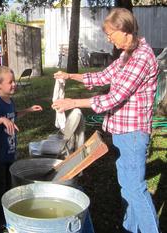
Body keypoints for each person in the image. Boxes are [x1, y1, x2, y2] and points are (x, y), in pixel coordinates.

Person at [52, 8, 160, 233]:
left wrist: (72, 103)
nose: (108, 38)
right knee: (127, 189)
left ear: (125, 31)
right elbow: (103, 76)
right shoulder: (127, 53)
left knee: (136, 190)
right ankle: (130, 229)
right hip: (122, 132)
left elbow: (114, 97)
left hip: (133, 134)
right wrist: (70, 76)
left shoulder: (142, 57)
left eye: (111, 34)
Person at [0, 66, 42, 233]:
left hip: (9, 155)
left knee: (8, 190)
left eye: (14, 81)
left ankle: (6, 219)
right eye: (10, 82)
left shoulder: (10, 101)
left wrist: (28, 110)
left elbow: (12, 115)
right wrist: (0, 120)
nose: (14, 84)